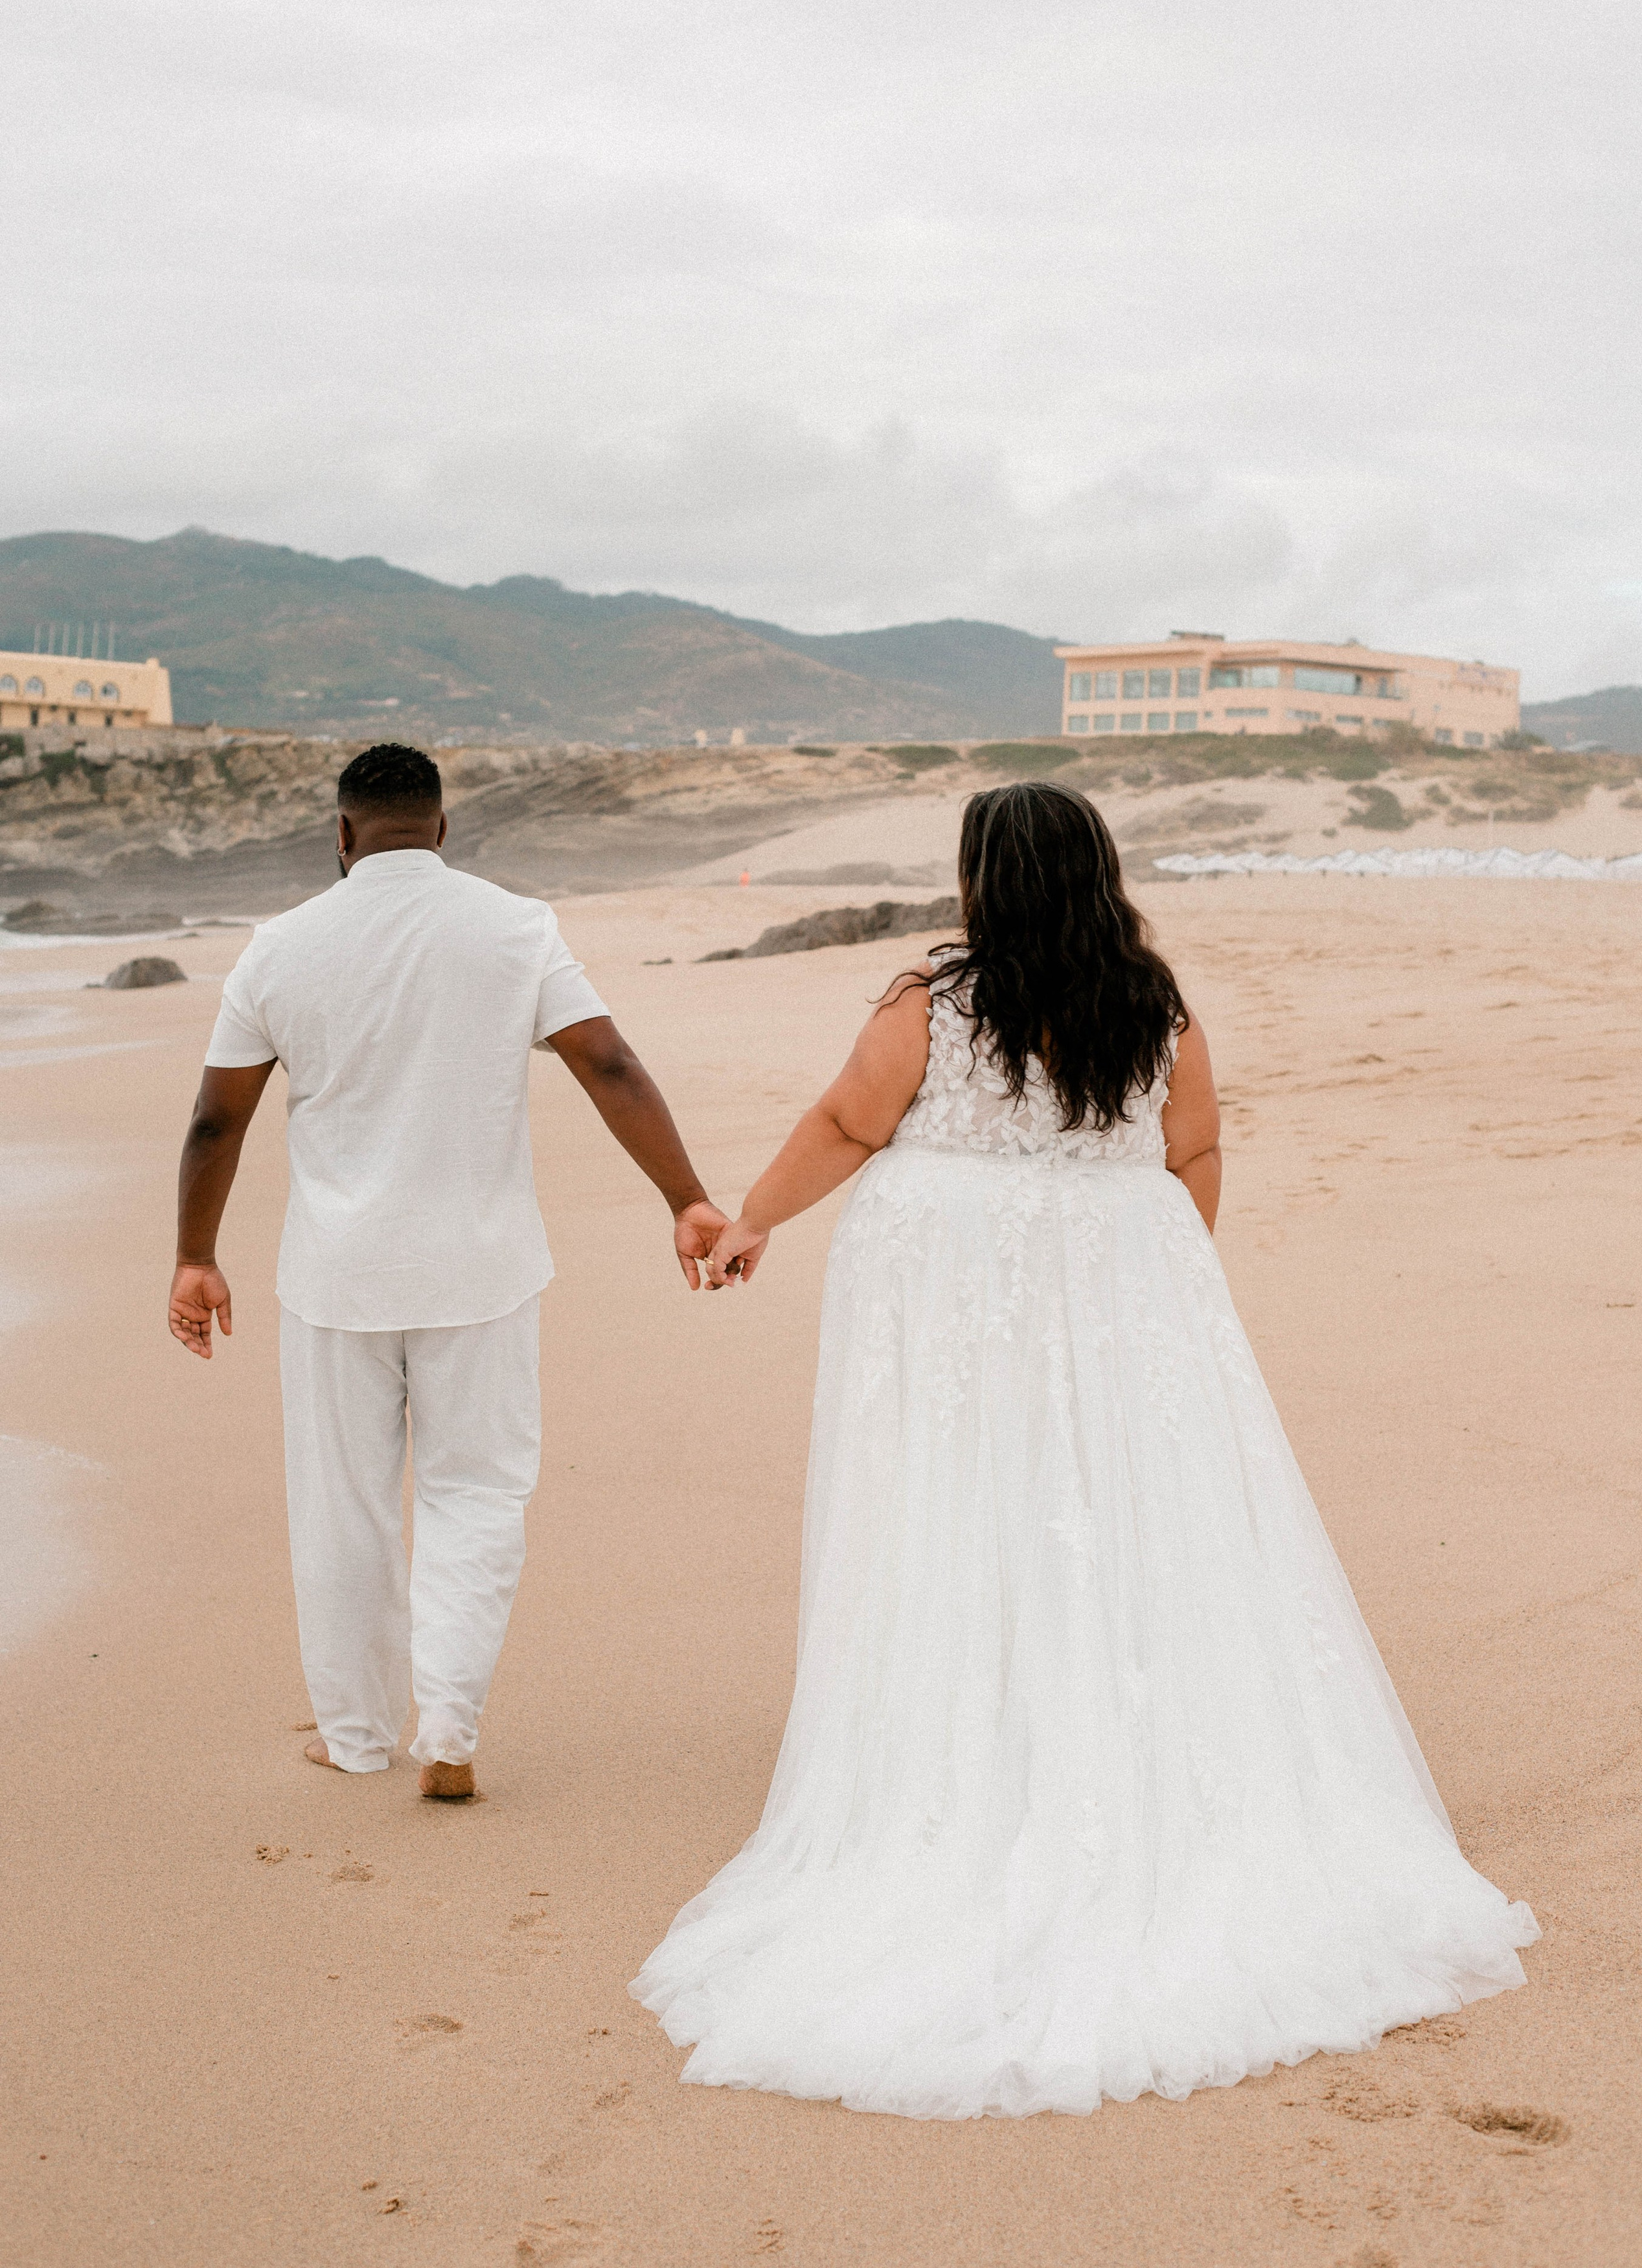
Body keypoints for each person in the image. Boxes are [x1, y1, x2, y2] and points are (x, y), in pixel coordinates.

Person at [632, 781, 1538, 2118]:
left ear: (978, 879)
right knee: (1121, 1525)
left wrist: (752, 1217)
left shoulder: (932, 1004)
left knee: (969, 1519)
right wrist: (1159, 1303)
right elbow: (1192, 1151)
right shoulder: (1149, 1002)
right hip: (1113, 1302)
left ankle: (987, 1747)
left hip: (962, 1314)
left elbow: (844, 1123)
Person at [168, 742, 727, 1802]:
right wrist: (685, 1198)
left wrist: (196, 1256)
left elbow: (214, 1120)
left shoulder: (280, 948)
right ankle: (454, 1729)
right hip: (483, 1273)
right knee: (477, 1494)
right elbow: (608, 1062)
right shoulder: (514, 927)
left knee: (344, 1507)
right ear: (441, 828)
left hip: (336, 1282)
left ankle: (357, 1735)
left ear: (340, 836)